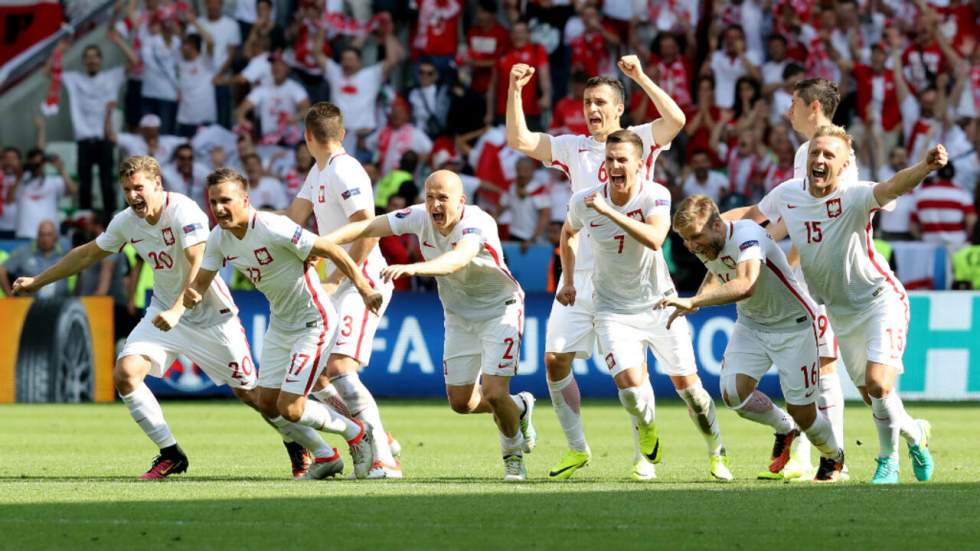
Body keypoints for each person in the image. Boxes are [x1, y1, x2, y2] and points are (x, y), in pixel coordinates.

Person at [10, 156, 337, 480]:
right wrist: (37, 281)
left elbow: (198, 263)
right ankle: (170, 453)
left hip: (211, 317)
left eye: (139, 187)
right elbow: (88, 253)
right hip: (163, 313)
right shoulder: (125, 221)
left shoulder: (183, 209)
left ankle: (299, 445)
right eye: (127, 190)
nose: (133, 196)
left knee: (253, 395)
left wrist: (180, 308)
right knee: (125, 374)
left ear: (157, 184)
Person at [507, 56, 726, 481]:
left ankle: (644, 455)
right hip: (583, 273)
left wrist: (641, 76)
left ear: (619, 107)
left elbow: (677, 119)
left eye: (601, 102)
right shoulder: (572, 147)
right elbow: (520, 140)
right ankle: (577, 449)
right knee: (554, 360)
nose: (592, 109)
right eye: (587, 101)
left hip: (630, 272)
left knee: (636, 373)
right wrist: (515, 89)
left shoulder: (640, 140)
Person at [726, 125, 942, 484]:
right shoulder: (788, 194)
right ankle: (915, 434)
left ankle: (887, 461)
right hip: (840, 312)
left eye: (829, 155)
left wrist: (924, 166)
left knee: (877, 383)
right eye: (815, 153)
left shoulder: (855, 195)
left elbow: (892, 186)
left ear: (843, 166)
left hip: (879, 300)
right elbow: (755, 222)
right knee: (874, 395)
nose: (820, 159)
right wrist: (709, 225)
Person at [324, 170, 537, 481]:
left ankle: (512, 455)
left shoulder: (477, 223)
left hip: (499, 311)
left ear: (461, 201)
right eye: (429, 197)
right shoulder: (420, 216)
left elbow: (457, 260)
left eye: (443, 198)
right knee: (461, 403)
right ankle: (519, 407)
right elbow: (370, 226)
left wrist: (413, 268)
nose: (435, 204)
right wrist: (320, 242)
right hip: (458, 315)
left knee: (493, 392)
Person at [185, 167, 383, 480]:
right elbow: (201, 281)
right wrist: (185, 300)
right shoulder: (219, 239)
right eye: (213, 202)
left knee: (291, 406)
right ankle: (326, 456)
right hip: (281, 324)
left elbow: (329, 248)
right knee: (266, 403)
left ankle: (357, 432)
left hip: (314, 320)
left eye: (225, 200)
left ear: (245, 200)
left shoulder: (273, 226)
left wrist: (363, 286)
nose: (219, 208)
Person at [557, 130, 731, 482]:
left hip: (659, 305)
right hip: (611, 310)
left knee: (692, 392)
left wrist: (608, 211)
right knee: (632, 391)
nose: (615, 166)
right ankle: (648, 431)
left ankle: (716, 452)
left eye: (622, 160)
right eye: (609, 160)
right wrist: (570, 278)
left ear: (639, 164)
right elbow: (568, 233)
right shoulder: (584, 200)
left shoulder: (656, 195)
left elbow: (654, 239)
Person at [665, 195, 846, 482]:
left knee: (805, 412)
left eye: (695, 237)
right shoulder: (706, 242)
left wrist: (694, 300)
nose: (691, 246)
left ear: (717, 223)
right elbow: (717, 270)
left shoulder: (748, 235)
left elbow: (745, 284)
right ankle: (785, 427)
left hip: (794, 325)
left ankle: (834, 457)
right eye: (686, 240)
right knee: (733, 393)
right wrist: (698, 300)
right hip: (752, 324)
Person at [285, 102, 400, 478]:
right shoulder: (318, 171)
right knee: (316, 375)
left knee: (339, 367)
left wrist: (339, 278)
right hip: (336, 282)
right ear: (342, 133)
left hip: (361, 281)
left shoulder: (345, 170)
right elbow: (293, 222)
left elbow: (368, 226)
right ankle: (379, 434)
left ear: (307, 137)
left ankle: (383, 458)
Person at [9, 149, 76, 240]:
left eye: (40, 163)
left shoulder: (54, 180)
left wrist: (61, 169)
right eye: (34, 164)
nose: (37, 166)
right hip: (25, 233)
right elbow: (9, 200)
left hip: (49, 234)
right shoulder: (21, 181)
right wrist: (19, 175)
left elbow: (73, 190)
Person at [0, 220, 68, 299]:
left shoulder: (65, 253)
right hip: (28, 305)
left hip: (60, 303)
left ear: (56, 236)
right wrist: (10, 297)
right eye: (41, 234)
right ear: (37, 235)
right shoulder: (24, 252)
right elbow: (1, 270)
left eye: (49, 235)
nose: (45, 239)